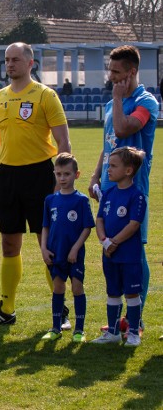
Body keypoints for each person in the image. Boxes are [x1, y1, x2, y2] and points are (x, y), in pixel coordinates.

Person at [0, 42, 70, 326]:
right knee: (8, 244)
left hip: (41, 175)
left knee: (47, 244)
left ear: (31, 63)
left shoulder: (45, 95)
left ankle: (59, 310)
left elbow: (63, 141)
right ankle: (6, 310)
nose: (10, 64)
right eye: (7, 60)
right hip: (8, 177)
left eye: (15, 59)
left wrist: (60, 181)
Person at [87, 45, 157, 334]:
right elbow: (109, 146)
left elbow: (123, 129)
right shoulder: (110, 103)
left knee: (133, 251)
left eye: (116, 72)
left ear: (131, 72)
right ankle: (119, 320)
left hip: (133, 189)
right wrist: (95, 176)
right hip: (108, 189)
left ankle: (136, 320)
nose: (111, 77)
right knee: (111, 249)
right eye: (110, 70)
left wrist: (118, 99)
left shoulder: (146, 102)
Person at [91, 147, 146, 346]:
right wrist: (104, 241)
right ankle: (113, 332)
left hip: (129, 255)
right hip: (109, 253)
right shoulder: (108, 194)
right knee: (112, 291)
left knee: (131, 293)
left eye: (113, 166)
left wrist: (114, 242)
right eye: (108, 165)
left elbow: (133, 225)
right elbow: (99, 220)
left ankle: (132, 332)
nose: (108, 170)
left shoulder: (136, 196)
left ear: (128, 171)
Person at [39, 153, 94, 342]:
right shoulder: (50, 200)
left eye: (67, 174)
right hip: (55, 252)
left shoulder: (81, 200)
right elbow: (45, 226)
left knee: (77, 288)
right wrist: (44, 249)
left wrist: (75, 249)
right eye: (59, 174)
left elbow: (87, 227)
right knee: (58, 288)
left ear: (76, 175)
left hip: (74, 254)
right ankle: (55, 328)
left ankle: (79, 330)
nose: (62, 178)